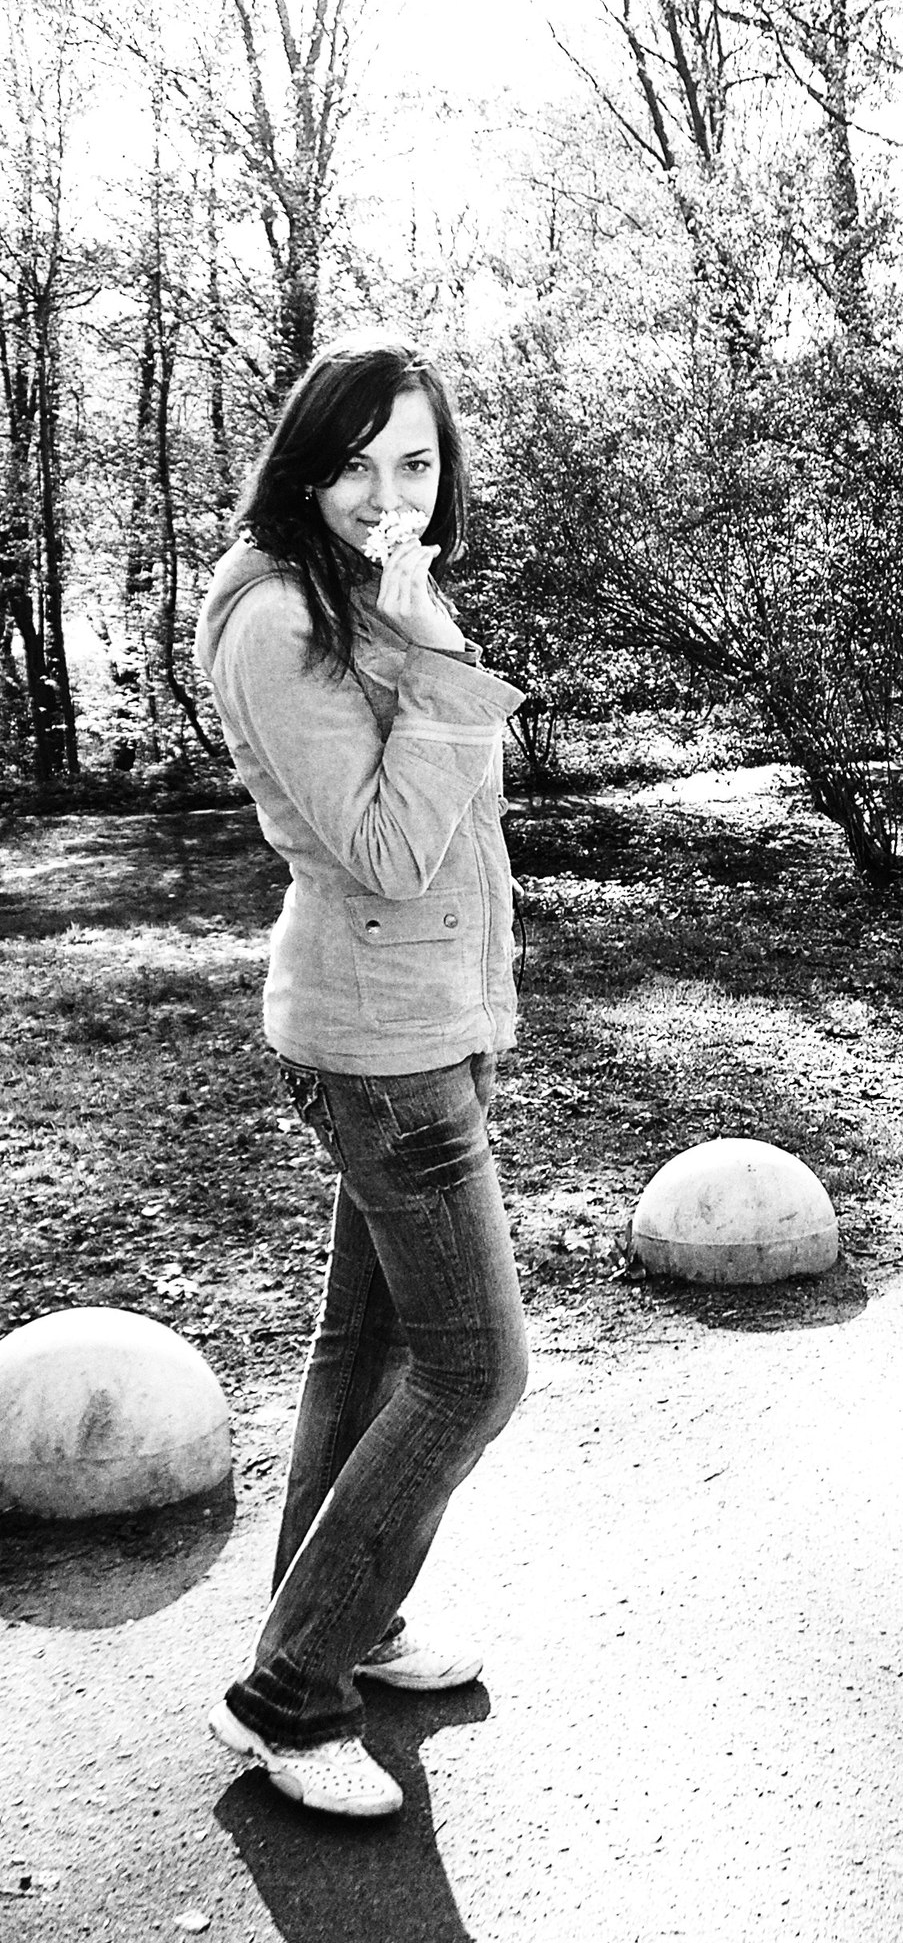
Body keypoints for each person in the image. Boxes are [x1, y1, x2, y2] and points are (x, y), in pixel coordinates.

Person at [193, 330, 530, 1819]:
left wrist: (413, 632)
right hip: (381, 1046)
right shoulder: (277, 619)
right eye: (352, 465)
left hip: (426, 1020)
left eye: (416, 462)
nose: (388, 496)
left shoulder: (354, 593)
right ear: (301, 469)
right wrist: (437, 656)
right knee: (476, 1372)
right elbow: (391, 848)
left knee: (373, 1353)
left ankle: (342, 1617)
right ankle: (287, 1692)